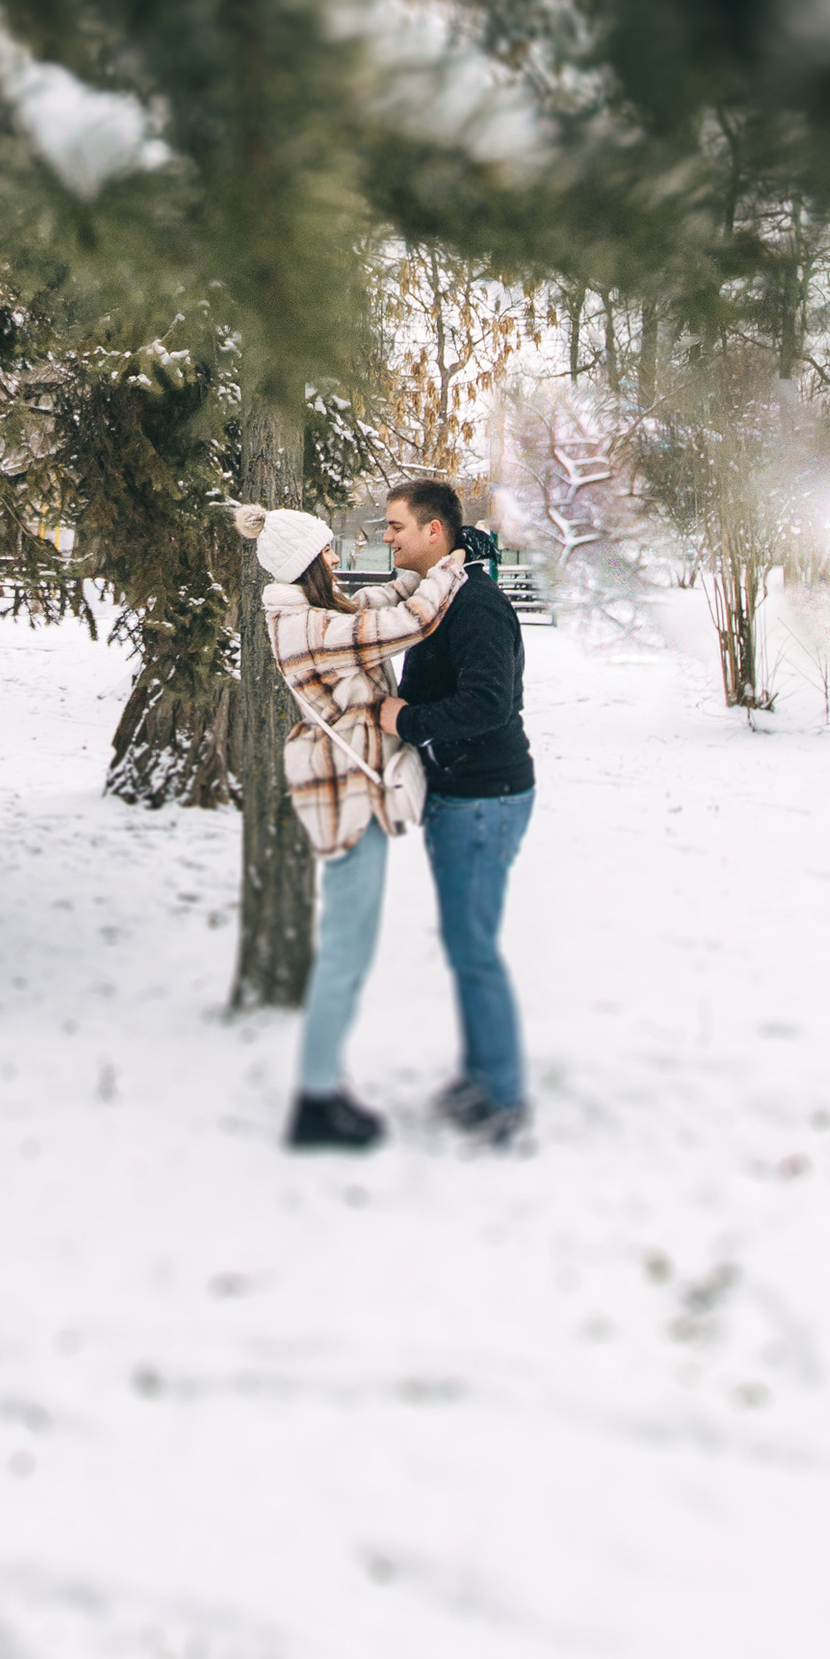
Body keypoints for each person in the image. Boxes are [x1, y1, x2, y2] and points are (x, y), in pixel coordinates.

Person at [232, 500, 464, 1153]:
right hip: (348, 798)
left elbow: (378, 602)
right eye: (327, 550)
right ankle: (316, 1098)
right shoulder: (308, 628)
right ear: (305, 563)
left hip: (352, 790)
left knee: (349, 946)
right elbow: (408, 623)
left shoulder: (318, 614)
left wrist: (419, 572)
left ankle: (323, 1084)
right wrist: (451, 569)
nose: (337, 557)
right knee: (345, 951)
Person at [378, 475, 536, 1148]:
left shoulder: (475, 605)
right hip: (459, 793)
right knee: (466, 943)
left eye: (396, 526)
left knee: (473, 948)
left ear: (434, 530)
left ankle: (501, 1095)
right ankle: (481, 1077)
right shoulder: (439, 595)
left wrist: (406, 719)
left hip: (484, 795)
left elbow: (489, 703)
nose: (387, 537)